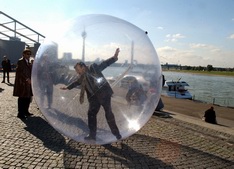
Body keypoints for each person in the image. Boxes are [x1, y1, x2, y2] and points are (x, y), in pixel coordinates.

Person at [60, 48, 122, 140]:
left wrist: (114, 57)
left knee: (108, 113)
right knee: (91, 114)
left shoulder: (93, 67)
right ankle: (92, 135)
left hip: (104, 94)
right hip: (94, 98)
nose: (77, 72)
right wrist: (67, 87)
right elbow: (77, 82)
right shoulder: (82, 76)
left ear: (83, 67)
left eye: (78, 69)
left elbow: (104, 64)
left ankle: (116, 134)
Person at [13, 49, 33, 120]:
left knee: (28, 97)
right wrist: (27, 79)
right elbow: (20, 72)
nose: (29, 55)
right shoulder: (20, 61)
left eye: (30, 54)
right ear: (23, 54)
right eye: (27, 54)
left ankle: (26, 111)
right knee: (22, 98)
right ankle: (20, 113)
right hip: (22, 83)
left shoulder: (29, 62)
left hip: (28, 83)